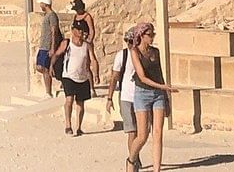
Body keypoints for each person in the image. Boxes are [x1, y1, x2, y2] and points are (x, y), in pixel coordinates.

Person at [128, 21, 178, 172]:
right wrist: (163, 87)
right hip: (142, 93)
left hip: (157, 94)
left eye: (153, 34)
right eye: (149, 35)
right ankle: (131, 159)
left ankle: (157, 169)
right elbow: (142, 77)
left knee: (158, 132)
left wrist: (165, 95)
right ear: (141, 36)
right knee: (142, 135)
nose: (152, 37)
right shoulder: (134, 52)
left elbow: (159, 74)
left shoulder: (155, 52)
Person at [50, 20, 100, 135]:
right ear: (73, 30)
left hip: (82, 77)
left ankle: (78, 127)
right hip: (68, 76)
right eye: (78, 29)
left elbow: (93, 60)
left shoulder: (87, 45)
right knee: (69, 100)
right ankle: (68, 125)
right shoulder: (67, 43)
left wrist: (96, 74)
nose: (80, 31)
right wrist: (51, 65)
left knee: (80, 103)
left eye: (82, 29)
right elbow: (57, 54)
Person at [106, 26, 140, 162]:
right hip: (126, 97)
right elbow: (114, 77)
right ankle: (133, 159)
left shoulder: (144, 55)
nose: (130, 44)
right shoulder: (122, 55)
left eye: (132, 41)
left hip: (141, 97)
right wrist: (109, 98)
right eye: (128, 41)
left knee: (141, 132)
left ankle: (135, 156)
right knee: (132, 131)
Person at [34, 0, 61, 97]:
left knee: (45, 68)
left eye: (41, 3)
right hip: (43, 46)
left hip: (48, 46)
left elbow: (54, 31)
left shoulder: (52, 16)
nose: (40, 5)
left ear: (45, 4)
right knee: (40, 67)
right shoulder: (47, 16)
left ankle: (48, 92)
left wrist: (53, 47)